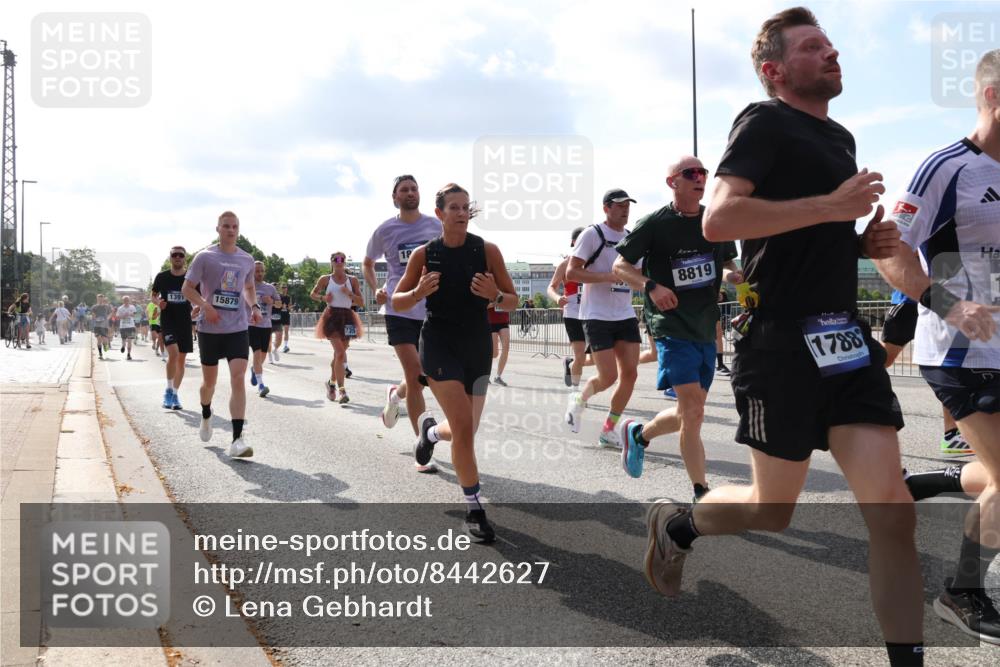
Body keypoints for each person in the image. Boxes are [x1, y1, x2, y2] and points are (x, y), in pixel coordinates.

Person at [642, 10, 924, 666]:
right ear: (773, 70)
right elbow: (719, 219)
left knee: (894, 514)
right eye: (812, 47)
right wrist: (832, 207)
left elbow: (799, 234)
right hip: (778, 344)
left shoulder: (841, 136)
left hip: (846, 342)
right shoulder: (763, 121)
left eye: (831, 44)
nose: (832, 53)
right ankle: (678, 524)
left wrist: (860, 242)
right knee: (773, 509)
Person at [875, 48, 1000, 645]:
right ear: (993, 96)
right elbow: (888, 249)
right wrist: (952, 304)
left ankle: (940, 482)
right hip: (956, 349)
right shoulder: (947, 167)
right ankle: (963, 591)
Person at [392, 182, 517, 541]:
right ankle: (475, 509)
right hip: (439, 343)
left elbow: (511, 301)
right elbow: (398, 301)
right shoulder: (424, 255)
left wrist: (495, 295)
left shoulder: (487, 250)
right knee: (463, 427)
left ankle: (429, 432)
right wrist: (417, 293)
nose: (462, 213)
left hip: (477, 344)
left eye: (466, 208)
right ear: (439, 214)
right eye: (454, 208)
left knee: (466, 428)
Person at [613, 156, 741, 499]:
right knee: (695, 412)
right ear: (674, 182)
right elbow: (620, 266)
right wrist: (652, 286)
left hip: (704, 324)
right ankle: (701, 492)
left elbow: (727, 262)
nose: (700, 178)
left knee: (689, 411)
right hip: (670, 324)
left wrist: (734, 277)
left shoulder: (713, 219)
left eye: (703, 173)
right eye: (691, 173)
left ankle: (639, 435)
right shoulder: (655, 223)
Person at [363, 174, 443, 472]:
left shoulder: (436, 226)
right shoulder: (386, 230)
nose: (410, 193)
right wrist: (376, 289)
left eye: (414, 188)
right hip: (398, 308)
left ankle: (395, 395)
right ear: (395, 197)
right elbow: (368, 262)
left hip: (431, 310)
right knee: (416, 374)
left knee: (421, 374)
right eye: (403, 190)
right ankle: (422, 449)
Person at [564, 188, 642, 449]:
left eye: (628, 205)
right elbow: (572, 273)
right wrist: (606, 277)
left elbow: (639, 272)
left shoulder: (632, 238)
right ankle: (579, 400)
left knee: (630, 374)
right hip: (596, 314)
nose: (625, 209)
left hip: (625, 313)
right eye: (620, 205)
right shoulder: (592, 234)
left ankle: (608, 429)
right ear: (606, 208)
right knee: (608, 376)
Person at [182, 211, 260, 459]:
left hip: (237, 328)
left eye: (235, 226)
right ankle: (206, 412)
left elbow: (248, 287)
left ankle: (237, 439)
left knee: (238, 378)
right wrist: (205, 306)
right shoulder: (205, 257)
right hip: (210, 329)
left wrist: (254, 306)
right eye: (226, 226)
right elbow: (187, 288)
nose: (230, 230)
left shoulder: (246, 259)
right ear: (218, 229)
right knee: (210, 384)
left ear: (239, 229)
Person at [882, 289, 971, 455]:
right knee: (884, 360)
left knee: (949, 365)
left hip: (939, 306)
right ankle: (850, 395)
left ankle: (952, 434)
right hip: (909, 303)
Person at [311, 252, 365, 403]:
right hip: (332, 317)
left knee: (338, 356)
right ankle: (342, 391)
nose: (339, 262)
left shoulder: (352, 280)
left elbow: (361, 302)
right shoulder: (325, 279)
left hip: (347, 317)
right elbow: (313, 294)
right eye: (336, 259)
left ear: (345, 262)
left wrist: (350, 294)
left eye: (342, 259)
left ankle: (331, 384)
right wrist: (323, 298)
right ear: (332, 262)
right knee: (340, 353)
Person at [549, 228, 592, 387]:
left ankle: (570, 363)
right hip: (572, 314)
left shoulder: (594, 262)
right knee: (580, 356)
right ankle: (575, 393)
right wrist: (557, 298)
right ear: (574, 242)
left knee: (596, 359)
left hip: (592, 314)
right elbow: (551, 287)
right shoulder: (565, 264)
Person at [152, 247, 194, 410]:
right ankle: (168, 391)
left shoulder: (190, 278)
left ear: (185, 258)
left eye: (180, 255)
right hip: (168, 320)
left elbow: (198, 296)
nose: (177, 257)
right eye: (174, 255)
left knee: (181, 361)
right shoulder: (162, 277)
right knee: (174, 354)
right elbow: (153, 295)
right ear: (170, 258)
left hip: (185, 321)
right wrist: (158, 303)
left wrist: (198, 307)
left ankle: (175, 394)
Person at [248, 261, 278, 398]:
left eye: (261, 271)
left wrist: (271, 301)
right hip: (252, 325)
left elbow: (279, 303)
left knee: (263, 355)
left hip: (266, 325)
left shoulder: (270, 288)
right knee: (257, 353)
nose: (259, 273)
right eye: (256, 271)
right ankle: (261, 385)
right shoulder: (248, 286)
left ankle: (255, 369)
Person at [487, 301, 510, 386]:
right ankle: (485, 375)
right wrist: (494, 304)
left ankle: (498, 376)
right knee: (494, 354)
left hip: (504, 321)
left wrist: (506, 304)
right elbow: (482, 306)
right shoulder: (489, 289)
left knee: (506, 348)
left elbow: (512, 304)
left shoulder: (506, 290)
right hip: (491, 322)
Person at [271, 284, 292, 358]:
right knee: (278, 332)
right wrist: (280, 306)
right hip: (279, 315)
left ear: (287, 288)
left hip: (286, 314)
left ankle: (285, 346)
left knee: (286, 330)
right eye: (283, 287)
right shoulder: (278, 296)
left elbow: (289, 306)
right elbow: (276, 304)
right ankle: (275, 343)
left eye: (285, 287)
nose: (284, 289)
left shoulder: (288, 297)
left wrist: (289, 307)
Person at [91, 295, 111, 359]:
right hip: (97, 325)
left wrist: (107, 318)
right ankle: (100, 354)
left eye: (101, 299)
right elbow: (93, 315)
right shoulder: (94, 307)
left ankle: (106, 346)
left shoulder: (107, 306)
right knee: (99, 339)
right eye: (99, 299)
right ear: (97, 299)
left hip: (104, 325)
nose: (100, 300)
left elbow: (110, 314)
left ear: (103, 299)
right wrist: (95, 318)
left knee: (104, 339)